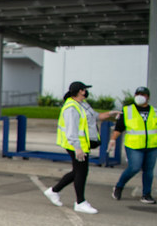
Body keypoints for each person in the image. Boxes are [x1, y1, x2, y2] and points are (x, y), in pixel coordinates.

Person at [42, 81, 120, 214]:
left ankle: (53, 191)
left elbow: (96, 116)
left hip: (82, 144)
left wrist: (110, 113)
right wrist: (77, 148)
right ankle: (80, 202)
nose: (86, 91)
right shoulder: (71, 108)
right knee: (81, 172)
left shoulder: (82, 104)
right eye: (84, 89)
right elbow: (71, 131)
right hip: (75, 145)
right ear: (79, 91)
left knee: (77, 171)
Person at [109, 86, 157, 203]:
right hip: (134, 146)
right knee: (134, 167)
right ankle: (119, 186)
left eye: (143, 94)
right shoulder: (127, 110)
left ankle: (146, 194)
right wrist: (113, 140)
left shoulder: (154, 112)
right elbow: (119, 127)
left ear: (148, 97)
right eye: (138, 94)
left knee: (149, 171)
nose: (140, 96)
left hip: (151, 146)